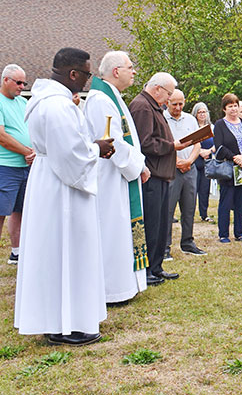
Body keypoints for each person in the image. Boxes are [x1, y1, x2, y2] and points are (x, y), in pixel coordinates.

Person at [14, 47, 115, 345]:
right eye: (86, 74)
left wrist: (91, 145)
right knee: (66, 250)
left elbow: (69, 145)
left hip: (51, 180)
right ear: (73, 73)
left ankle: (64, 318)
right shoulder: (57, 106)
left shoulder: (48, 101)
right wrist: (97, 148)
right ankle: (65, 324)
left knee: (58, 251)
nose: (87, 80)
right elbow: (71, 154)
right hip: (62, 188)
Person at [84, 51, 152, 302]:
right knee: (112, 229)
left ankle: (125, 284)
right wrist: (139, 166)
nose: (134, 72)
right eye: (130, 67)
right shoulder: (100, 100)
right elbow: (114, 143)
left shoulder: (113, 97)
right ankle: (113, 289)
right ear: (116, 71)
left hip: (120, 176)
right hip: (110, 177)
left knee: (121, 228)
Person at [129, 72, 187, 286]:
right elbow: (145, 143)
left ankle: (156, 266)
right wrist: (171, 146)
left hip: (161, 173)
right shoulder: (143, 107)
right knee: (152, 224)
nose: (169, 98)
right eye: (169, 93)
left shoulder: (152, 106)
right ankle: (147, 270)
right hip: (151, 175)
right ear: (157, 89)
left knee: (162, 223)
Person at [0, 65, 34, 276]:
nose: (22, 87)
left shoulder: (23, 103)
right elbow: (0, 135)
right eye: (18, 82)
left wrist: (32, 151)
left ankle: (16, 252)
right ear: (5, 80)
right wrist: (26, 151)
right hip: (2, 167)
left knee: (19, 211)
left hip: (24, 167)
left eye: (24, 83)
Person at [165, 89, 207, 257]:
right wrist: (177, 162)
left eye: (181, 103)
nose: (178, 107)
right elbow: (164, 145)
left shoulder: (190, 119)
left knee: (189, 208)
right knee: (167, 209)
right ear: (167, 102)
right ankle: (165, 248)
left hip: (190, 168)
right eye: (174, 104)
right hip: (170, 169)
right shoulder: (162, 119)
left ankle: (188, 242)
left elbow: (197, 144)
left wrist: (189, 161)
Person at [214, 93, 242, 243]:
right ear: (224, 109)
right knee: (226, 201)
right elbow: (219, 146)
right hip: (228, 167)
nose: (233, 109)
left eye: (235, 105)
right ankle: (223, 234)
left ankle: (240, 232)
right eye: (230, 106)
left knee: (241, 201)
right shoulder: (220, 125)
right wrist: (235, 157)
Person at [191, 102, 215, 222]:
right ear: (195, 114)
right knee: (192, 189)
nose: (202, 114)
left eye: (204, 112)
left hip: (208, 161)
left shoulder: (212, 128)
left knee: (205, 189)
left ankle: (204, 214)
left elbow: (218, 143)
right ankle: (189, 214)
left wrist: (208, 152)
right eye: (199, 112)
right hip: (195, 161)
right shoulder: (191, 127)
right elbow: (188, 143)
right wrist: (199, 151)